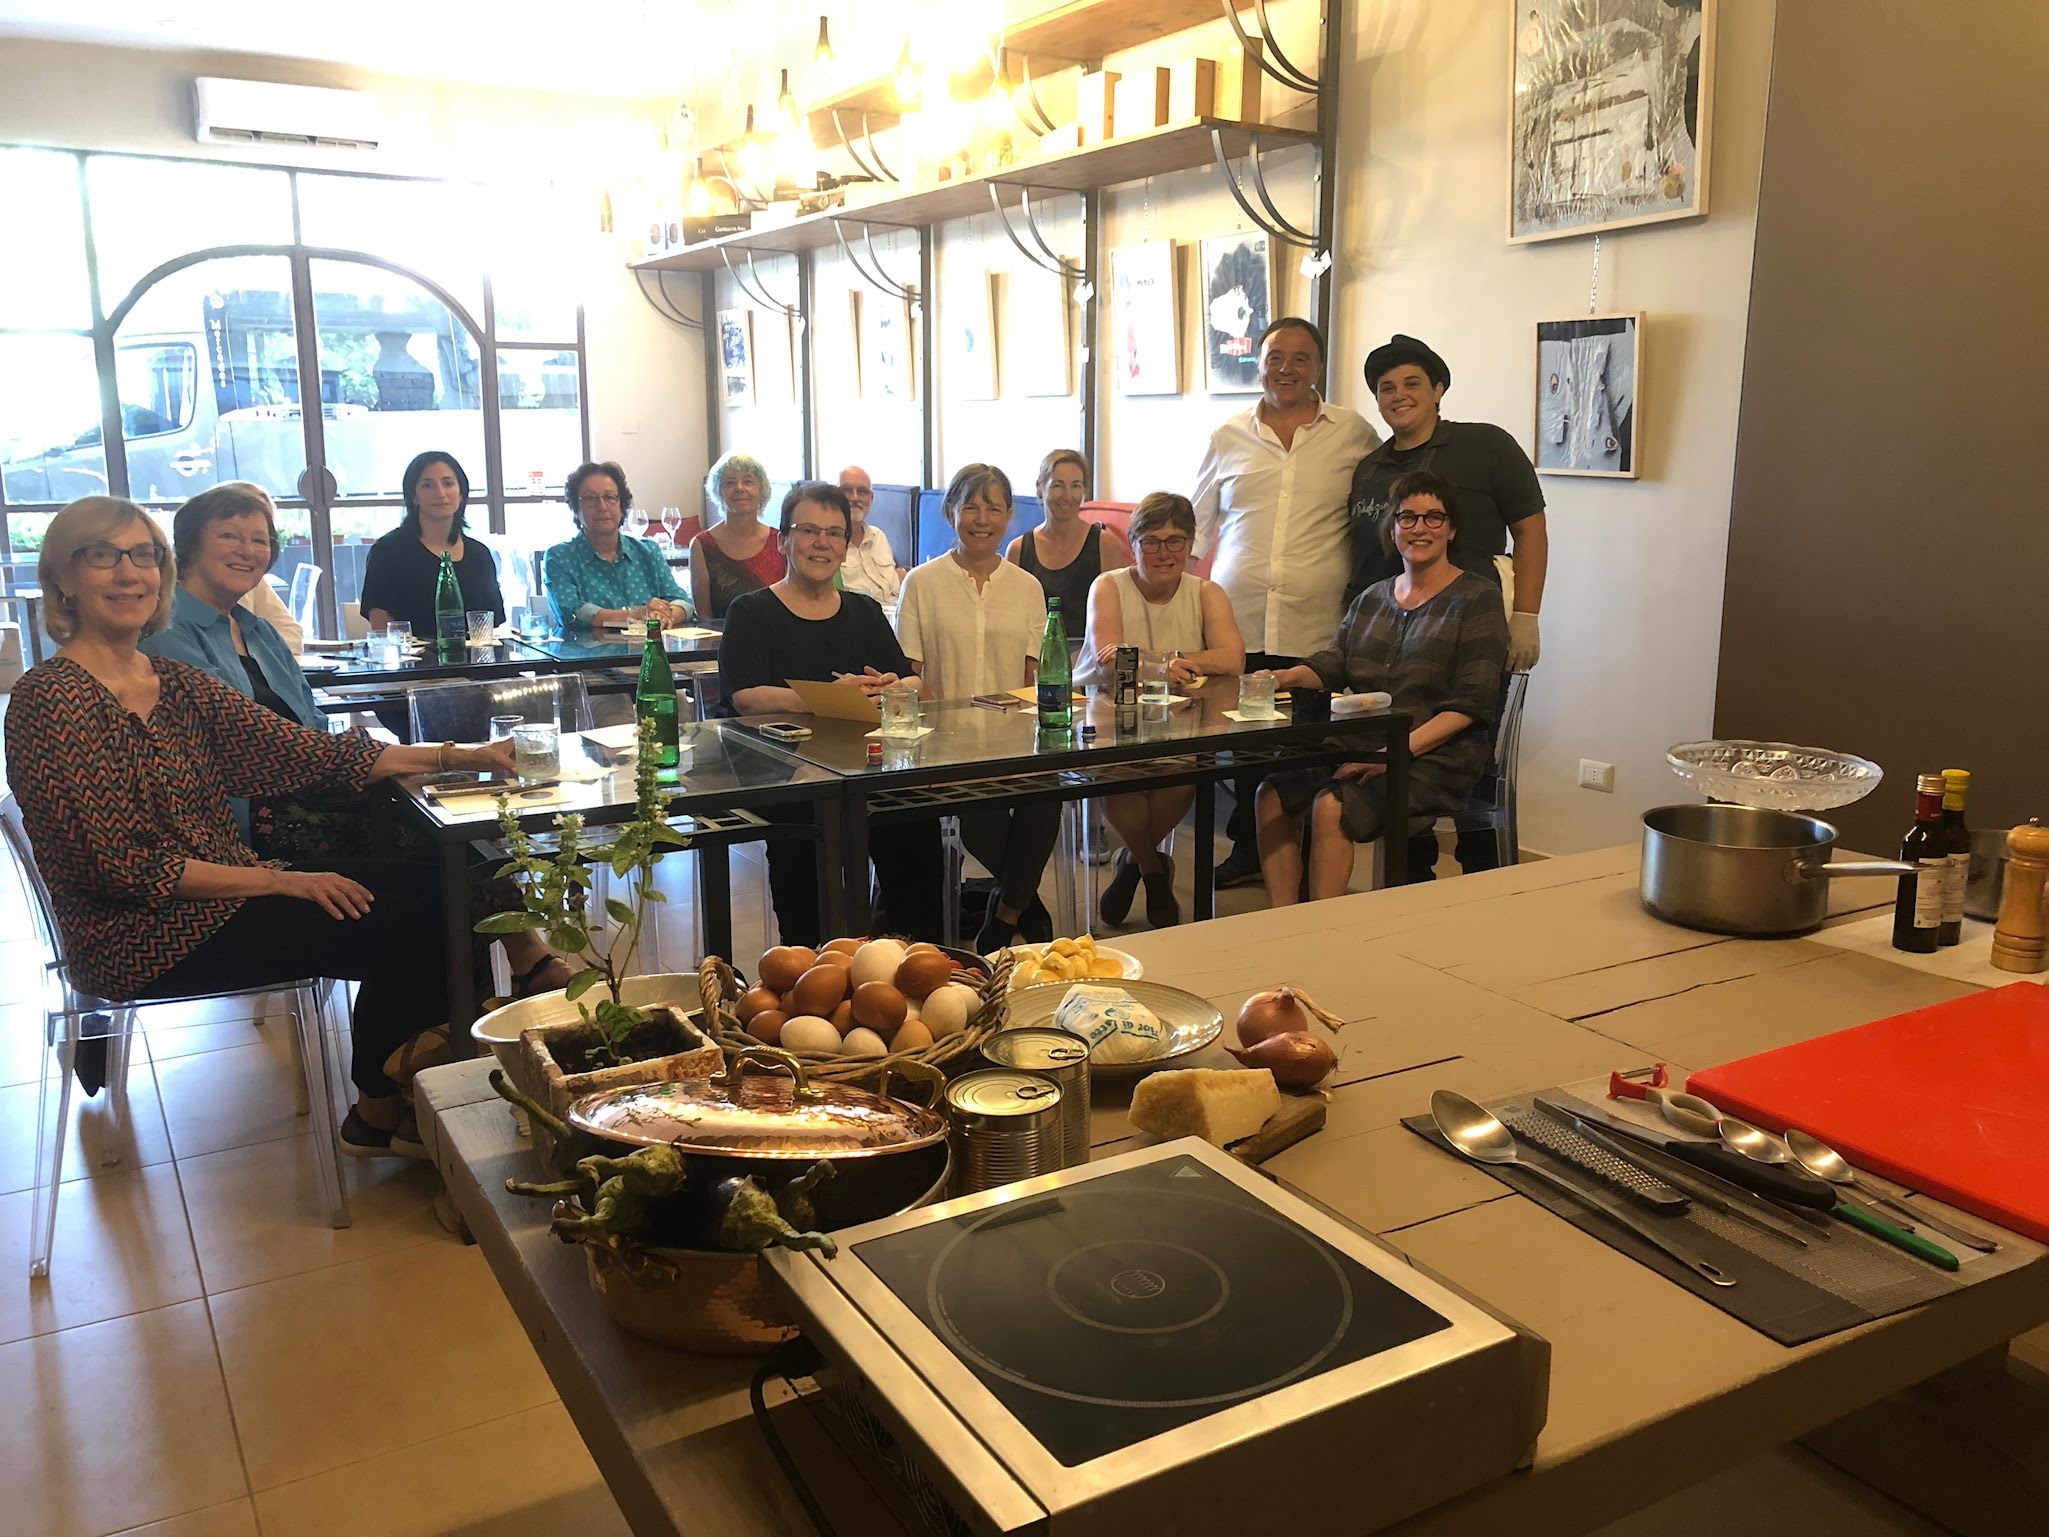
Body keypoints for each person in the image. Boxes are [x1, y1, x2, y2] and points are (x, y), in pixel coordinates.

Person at [9, 496, 522, 1159]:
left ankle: (408, 1100)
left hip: (226, 892)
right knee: (407, 930)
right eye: (103, 555)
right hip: (140, 934)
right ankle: (387, 1105)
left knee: (456, 892)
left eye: (143, 555)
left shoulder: (172, 681)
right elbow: (126, 866)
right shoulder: (51, 699)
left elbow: (309, 753)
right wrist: (281, 881)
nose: (129, 573)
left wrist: (459, 755)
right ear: (62, 577)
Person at [142, 482, 570, 1000]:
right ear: (187, 545)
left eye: (259, 539)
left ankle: (488, 995)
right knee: (442, 854)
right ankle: (484, 998)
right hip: (251, 821)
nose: (248, 550)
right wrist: (431, 756)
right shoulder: (169, 636)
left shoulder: (255, 629)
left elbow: (310, 725)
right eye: (229, 535)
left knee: (455, 828)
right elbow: (256, 748)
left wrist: (370, 754)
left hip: (312, 789)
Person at [1254, 472, 1508, 906]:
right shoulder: (1372, 597)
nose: (1420, 528)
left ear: (1451, 529)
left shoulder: (1477, 599)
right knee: (1271, 793)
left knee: (1331, 806)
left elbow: (1471, 704)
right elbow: (1336, 662)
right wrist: (1284, 677)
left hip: (1438, 755)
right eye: (1407, 517)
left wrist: (1393, 753)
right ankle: (1283, 921)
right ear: (1392, 529)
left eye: (1433, 517)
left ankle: (1323, 930)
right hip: (1362, 741)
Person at [1348, 334, 1546, 876]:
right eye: (1387, 388)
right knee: (1394, 761)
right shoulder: (1370, 469)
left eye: (1413, 383)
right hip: (1390, 643)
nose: (1399, 395)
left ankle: (1484, 885)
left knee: (1470, 761)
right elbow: (1363, 558)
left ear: (1438, 389)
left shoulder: (1485, 446)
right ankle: (1413, 880)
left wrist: (1527, 615)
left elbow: (1531, 529)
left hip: (1470, 634)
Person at [1192, 316, 1378, 887]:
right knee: (1245, 741)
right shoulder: (1228, 436)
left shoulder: (1353, 433)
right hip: (1239, 618)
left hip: (1317, 621)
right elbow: (1197, 527)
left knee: (1309, 743)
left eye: (1300, 358)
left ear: (1318, 366)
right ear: (1259, 364)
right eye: (1275, 357)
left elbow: (1379, 514)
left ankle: (1309, 853)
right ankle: (1250, 850)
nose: (1286, 368)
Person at [717, 482, 942, 945]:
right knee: (805, 851)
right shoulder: (752, 612)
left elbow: (916, 683)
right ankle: (811, 965)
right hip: (786, 773)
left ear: (845, 547)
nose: (822, 543)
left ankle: (915, 955)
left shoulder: (864, 611)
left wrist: (891, 686)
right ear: (783, 541)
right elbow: (744, 696)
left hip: (870, 769)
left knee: (916, 824)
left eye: (834, 533)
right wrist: (825, 697)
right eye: (808, 531)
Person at [897, 464, 1058, 951]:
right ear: (951, 512)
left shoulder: (1027, 587)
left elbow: (1032, 676)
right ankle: (1024, 902)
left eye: (994, 508)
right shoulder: (922, 583)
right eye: (971, 507)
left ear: (1010, 516)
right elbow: (909, 674)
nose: (982, 519)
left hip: (1016, 738)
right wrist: (943, 729)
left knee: (1046, 795)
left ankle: (1006, 912)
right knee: (980, 812)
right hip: (946, 743)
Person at [1076, 492, 1246, 930]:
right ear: (1133, 544)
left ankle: (1134, 863)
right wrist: (1164, 667)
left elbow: (1232, 659)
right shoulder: (1108, 586)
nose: (1164, 552)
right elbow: (1107, 661)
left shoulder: (1206, 592)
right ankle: (1154, 871)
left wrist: (1166, 660)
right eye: (1150, 541)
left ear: (1190, 545)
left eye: (1175, 541)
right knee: (1121, 780)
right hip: (1110, 715)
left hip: (1182, 720)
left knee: (1178, 781)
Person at [359, 451, 505, 635]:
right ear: (414, 496)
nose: (440, 493)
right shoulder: (387, 551)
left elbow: (491, 621)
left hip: (473, 652)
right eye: (428, 485)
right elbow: (381, 624)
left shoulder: (479, 554)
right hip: (411, 652)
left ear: (461, 494)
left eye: (448, 484)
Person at [544, 460, 691, 629]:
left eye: (610, 497)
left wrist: (661, 616)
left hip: (650, 645)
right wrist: (640, 615)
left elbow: (683, 603)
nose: (602, 506)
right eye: (591, 498)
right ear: (576, 508)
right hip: (588, 647)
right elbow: (571, 613)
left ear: (622, 506)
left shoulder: (649, 551)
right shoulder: (560, 557)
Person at [1006, 449, 1130, 623]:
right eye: (1058, 485)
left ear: (1084, 490)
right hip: (1035, 641)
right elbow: (1012, 619)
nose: (1067, 496)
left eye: (1076, 486)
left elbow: (1118, 618)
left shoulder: (1106, 546)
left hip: (1093, 641)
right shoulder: (1018, 550)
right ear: (1040, 488)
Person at [690, 451, 785, 619]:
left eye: (748, 481)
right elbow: (704, 616)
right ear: (718, 491)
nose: (739, 488)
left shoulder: (780, 540)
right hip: (721, 635)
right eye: (730, 482)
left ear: (761, 489)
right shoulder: (702, 545)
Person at [836, 464, 905, 606]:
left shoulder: (878, 536)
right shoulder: (829, 544)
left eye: (862, 492)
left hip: (895, 612)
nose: (855, 498)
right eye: (847, 490)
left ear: (871, 499)